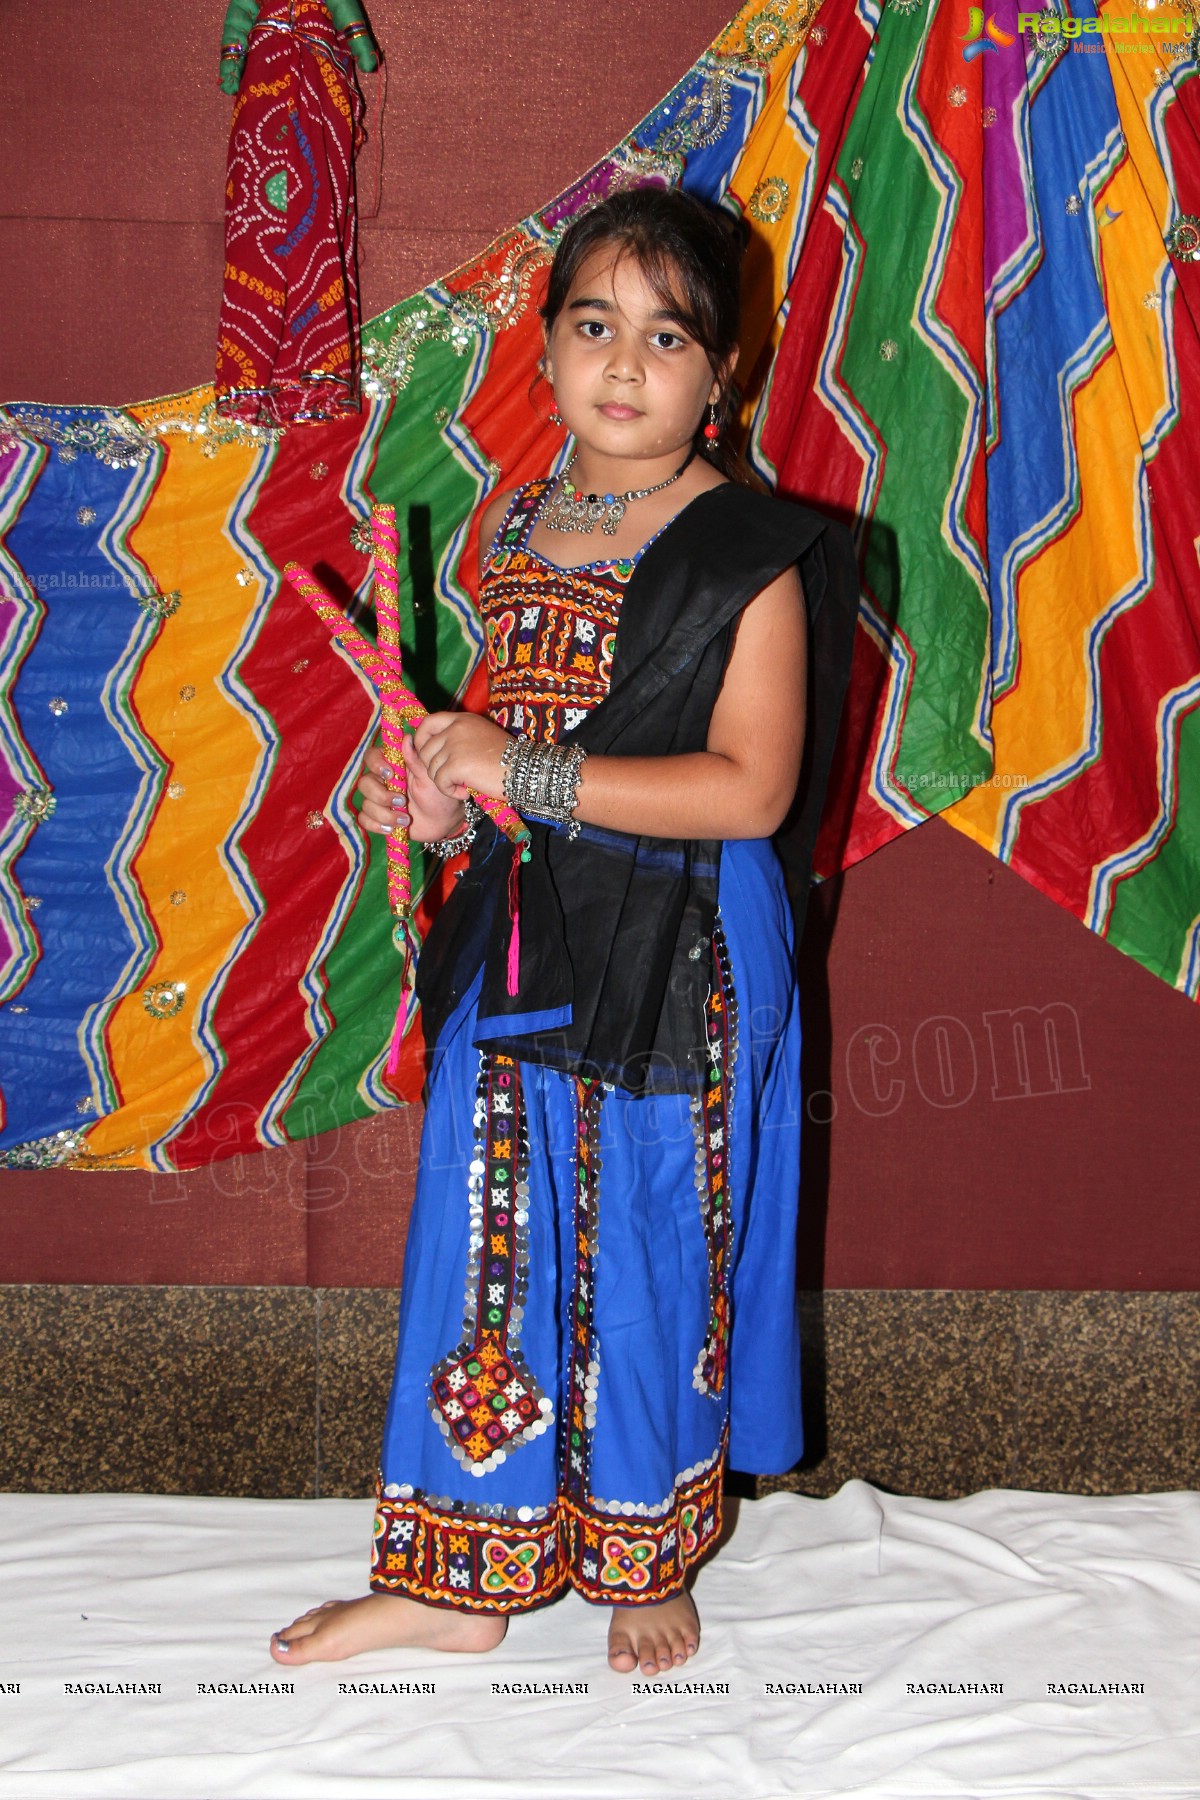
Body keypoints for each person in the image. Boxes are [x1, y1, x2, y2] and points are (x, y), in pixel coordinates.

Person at [271, 186, 842, 1678]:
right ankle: (460, 1581)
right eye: (595, 325)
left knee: (653, 1233)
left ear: (725, 374)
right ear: (544, 350)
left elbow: (748, 788)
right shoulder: (523, 523)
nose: (627, 363)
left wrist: (513, 766)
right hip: (526, 936)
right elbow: (494, 755)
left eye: (669, 336)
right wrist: (438, 799)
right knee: (487, 1236)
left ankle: (643, 1546)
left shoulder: (751, 555)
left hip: (681, 950)